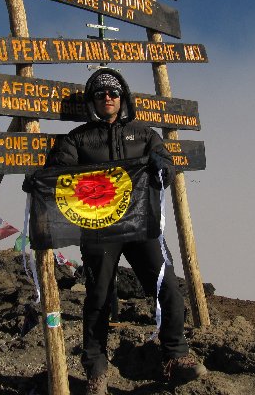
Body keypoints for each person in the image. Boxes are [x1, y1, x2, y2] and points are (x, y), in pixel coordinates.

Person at [44, 67, 207, 394]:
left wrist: (165, 166)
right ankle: (96, 371)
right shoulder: (78, 138)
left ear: (123, 97)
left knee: (166, 285)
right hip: (99, 228)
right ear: (92, 99)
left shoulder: (145, 134)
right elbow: (59, 172)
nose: (107, 97)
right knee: (99, 297)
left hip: (141, 223)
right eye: (100, 93)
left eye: (113, 93)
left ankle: (175, 355)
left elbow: (165, 164)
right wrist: (42, 181)